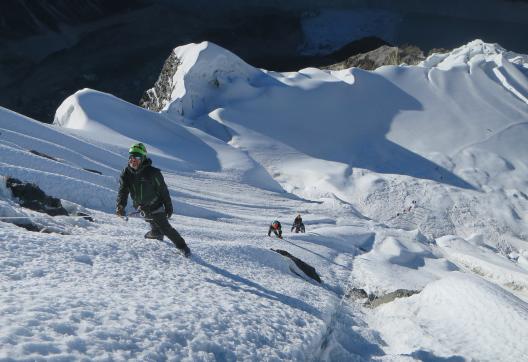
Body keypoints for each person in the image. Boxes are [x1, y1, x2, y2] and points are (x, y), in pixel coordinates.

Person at [116, 142, 191, 257]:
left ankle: (183, 247)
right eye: (131, 157)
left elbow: (163, 191)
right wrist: (120, 206)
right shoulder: (126, 173)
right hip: (140, 206)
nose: (133, 160)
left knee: (165, 227)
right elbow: (123, 190)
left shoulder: (153, 173)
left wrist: (168, 207)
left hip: (155, 205)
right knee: (150, 220)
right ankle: (156, 233)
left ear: (143, 158)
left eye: (136, 157)